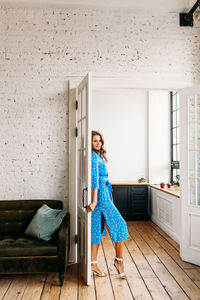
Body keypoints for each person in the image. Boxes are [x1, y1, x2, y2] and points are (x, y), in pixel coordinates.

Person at [86, 130, 129, 279]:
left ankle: (92, 263)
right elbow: (94, 179)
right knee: (120, 224)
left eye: (99, 140)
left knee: (96, 228)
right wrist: (95, 200)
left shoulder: (98, 156)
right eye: (95, 141)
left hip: (105, 193)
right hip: (101, 195)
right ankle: (118, 261)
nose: (98, 143)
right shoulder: (92, 156)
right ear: (90, 143)